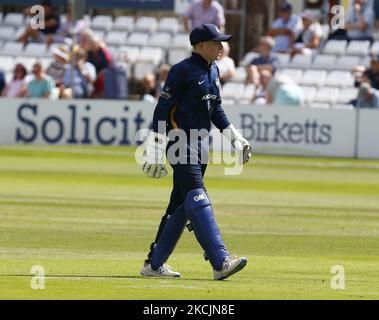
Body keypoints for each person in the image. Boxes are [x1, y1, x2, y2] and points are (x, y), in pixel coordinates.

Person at [140, 24, 252, 280]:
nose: (221, 46)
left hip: (202, 147)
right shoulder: (181, 71)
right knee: (197, 197)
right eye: (216, 42)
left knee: (180, 206)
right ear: (200, 45)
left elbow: (216, 109)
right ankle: (220, 261)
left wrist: (236, 138)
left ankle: (153, 265)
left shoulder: (213, 70)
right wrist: (156, 146)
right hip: (180, 143)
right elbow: (162, 108)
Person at [79, 28, 114, 98]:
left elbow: (106, 69)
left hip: (102, 78)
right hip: (92, 77)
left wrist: (95, 79)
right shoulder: (90, 53)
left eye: (93, 43)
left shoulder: (104, 54)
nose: (91, 45)